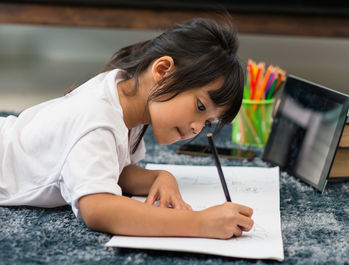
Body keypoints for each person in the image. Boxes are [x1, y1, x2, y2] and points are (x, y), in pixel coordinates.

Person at [0, 18, 254, 239]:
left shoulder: (125, 92)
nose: (198, 127)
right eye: (200, 106)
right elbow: (98, 208)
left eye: (208, 122)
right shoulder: (98, 118)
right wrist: (200, 223)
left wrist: (159, 177)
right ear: (163, 71)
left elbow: (111, 169)